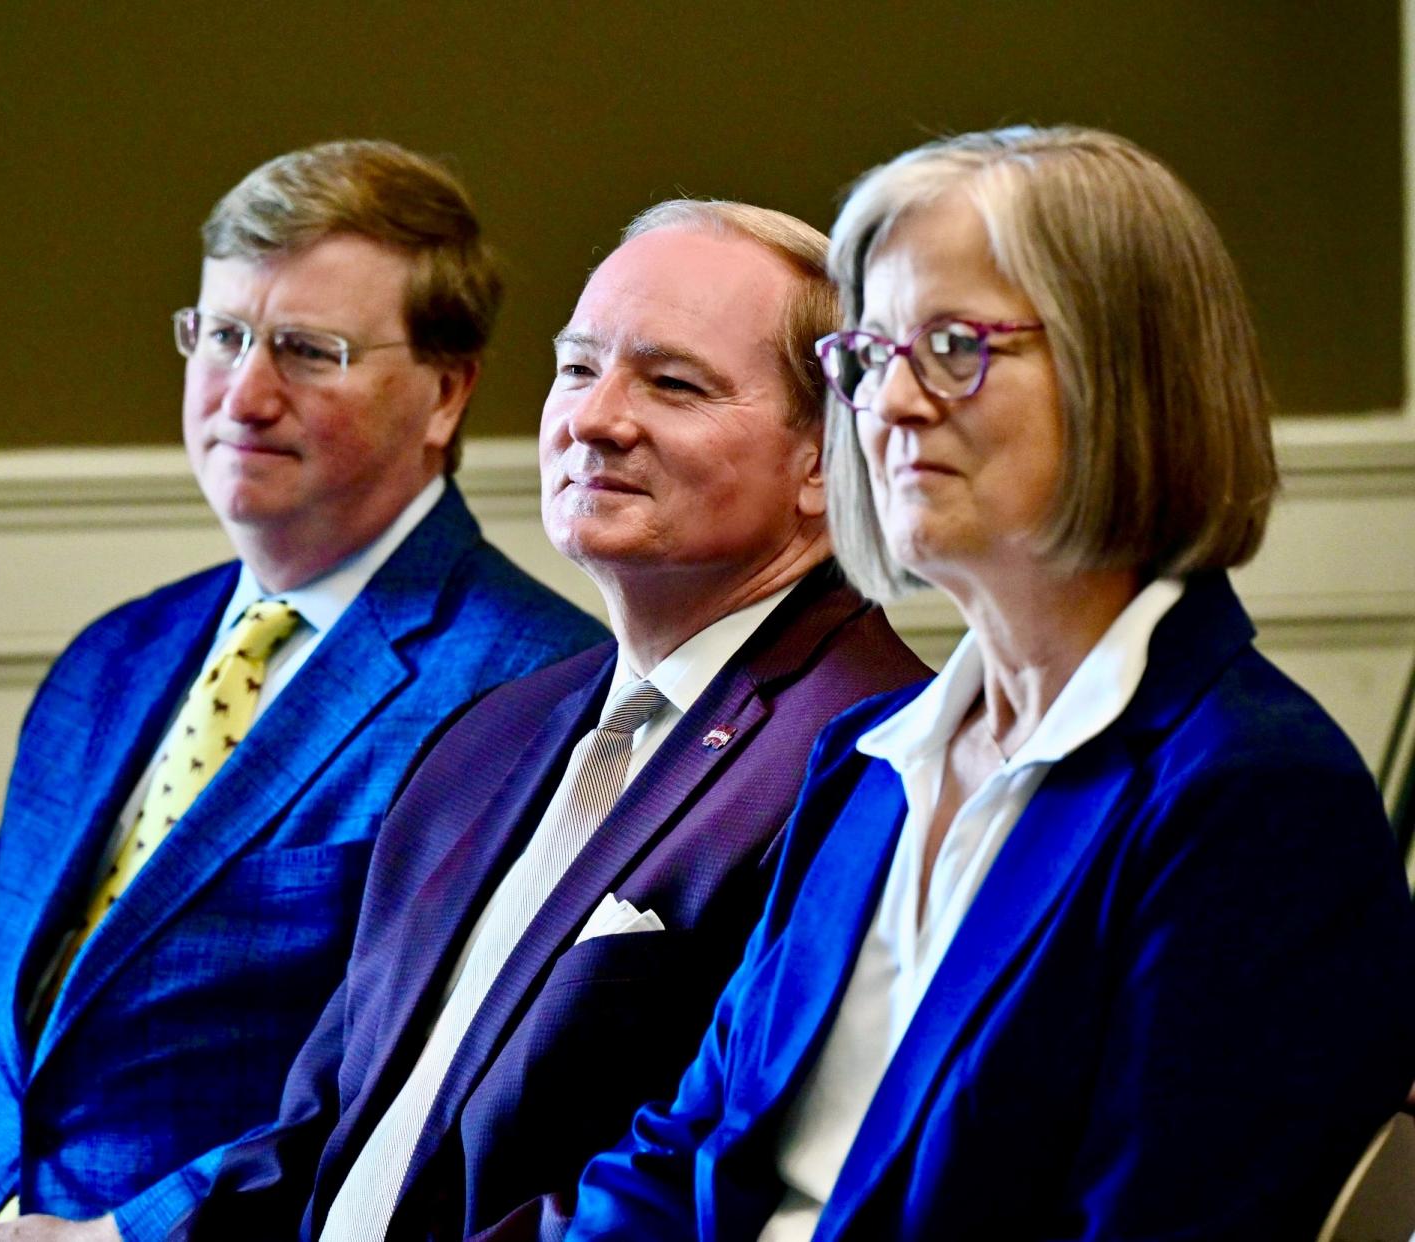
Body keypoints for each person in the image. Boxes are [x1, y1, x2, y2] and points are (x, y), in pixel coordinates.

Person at [565, 126, 1415, 1240]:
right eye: (868, 359)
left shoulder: (1250, 796)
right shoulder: (868, 759)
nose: (893, 404)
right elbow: (675, 1160)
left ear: (1129, 369)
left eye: (955, 345)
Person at [0, 139, 607, 1242]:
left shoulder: (532, 691)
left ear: (446, 392)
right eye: (225, 336)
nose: (245, 393)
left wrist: (119, 1240)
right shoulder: (117, 654)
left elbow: (410, 1099)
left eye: (306, 350)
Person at [175, 200, 931, 1241]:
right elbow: (320, 1131)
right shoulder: (491, 735)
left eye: (671, 383)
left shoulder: (874, 756)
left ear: (823, 461)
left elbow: (720, 1192)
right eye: (578, 370)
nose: (593, 418)